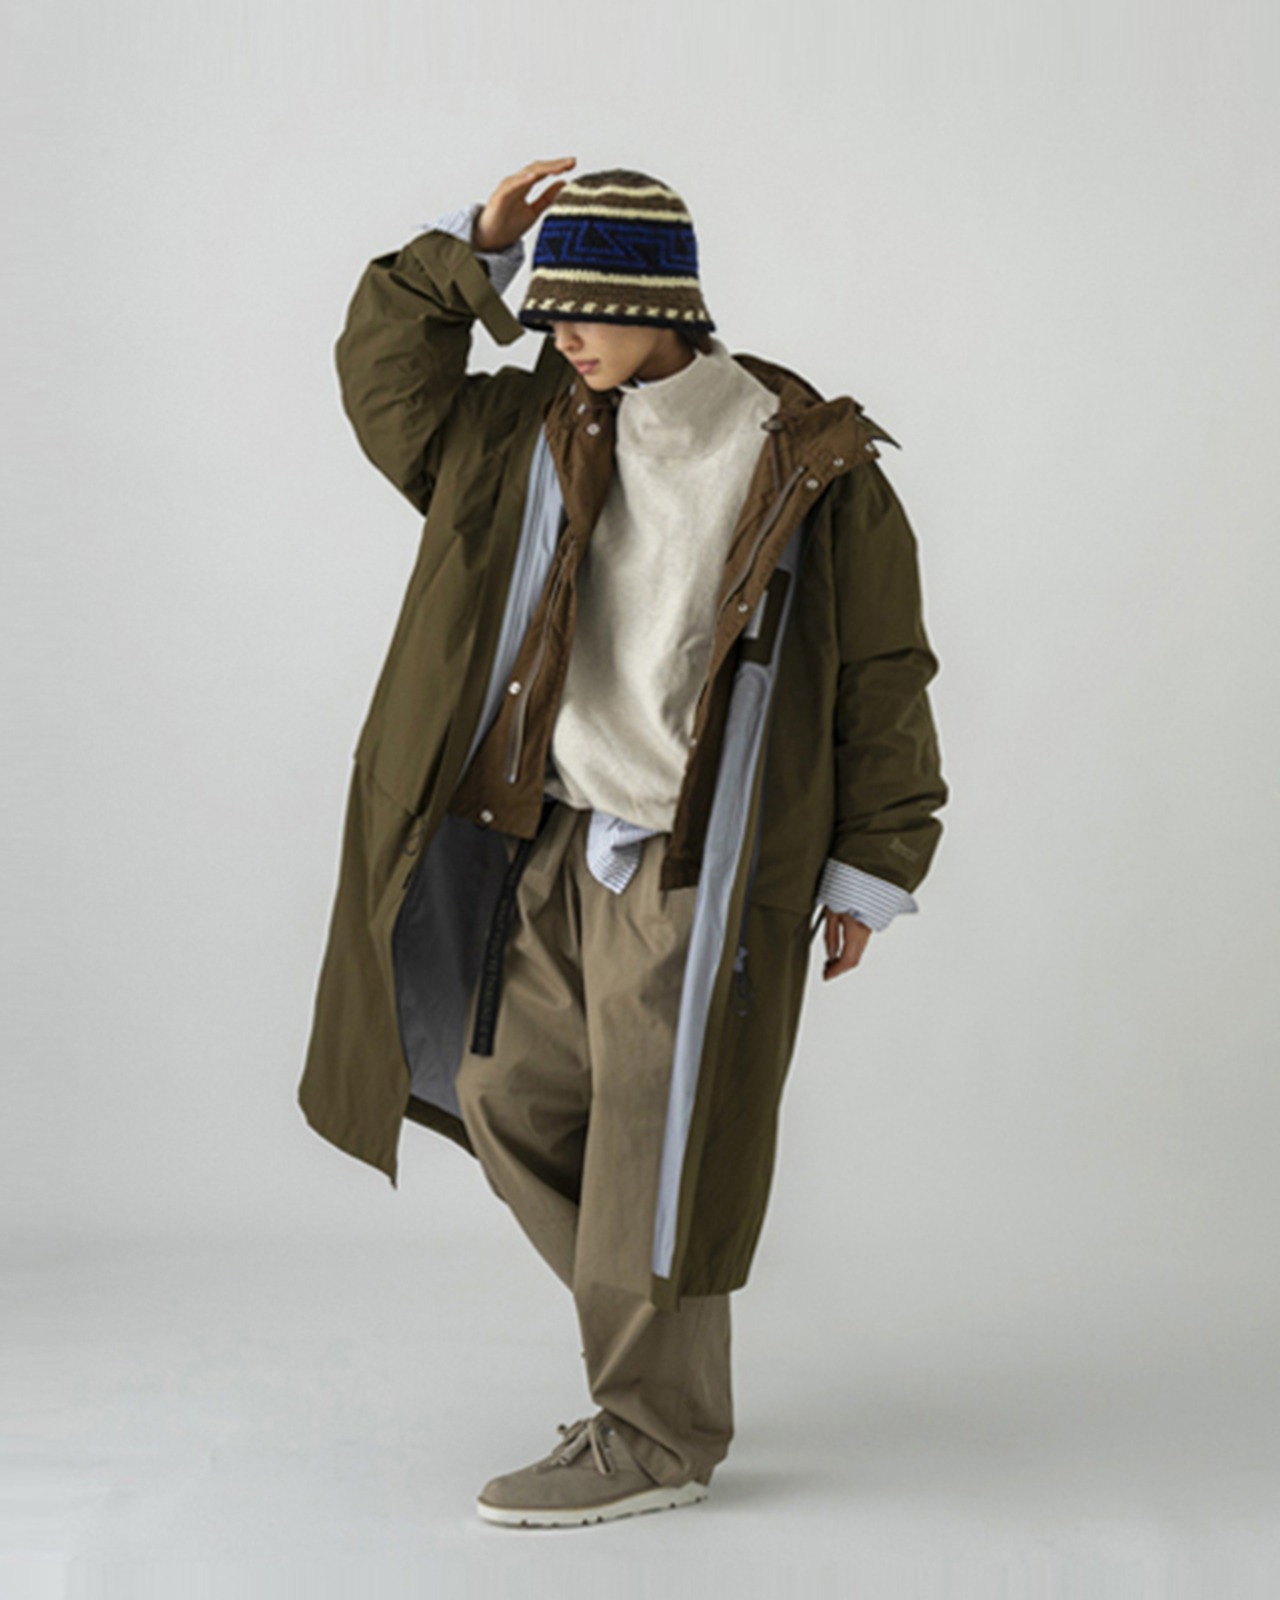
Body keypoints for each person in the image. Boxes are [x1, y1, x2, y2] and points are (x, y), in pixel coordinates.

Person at [298, 157, 948, 1528]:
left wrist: (875, 861)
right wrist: (466, 253)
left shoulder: (808, 461)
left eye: (583, 307)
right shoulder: (522, 433)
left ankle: (656, 1434)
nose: (559, 333)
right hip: (548, 833)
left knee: (658, 1145)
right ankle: (655, 1321)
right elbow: (385, 384)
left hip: (696, 858)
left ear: (664, 306)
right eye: (544, 309)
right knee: (504, 1094)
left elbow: (885, 674)